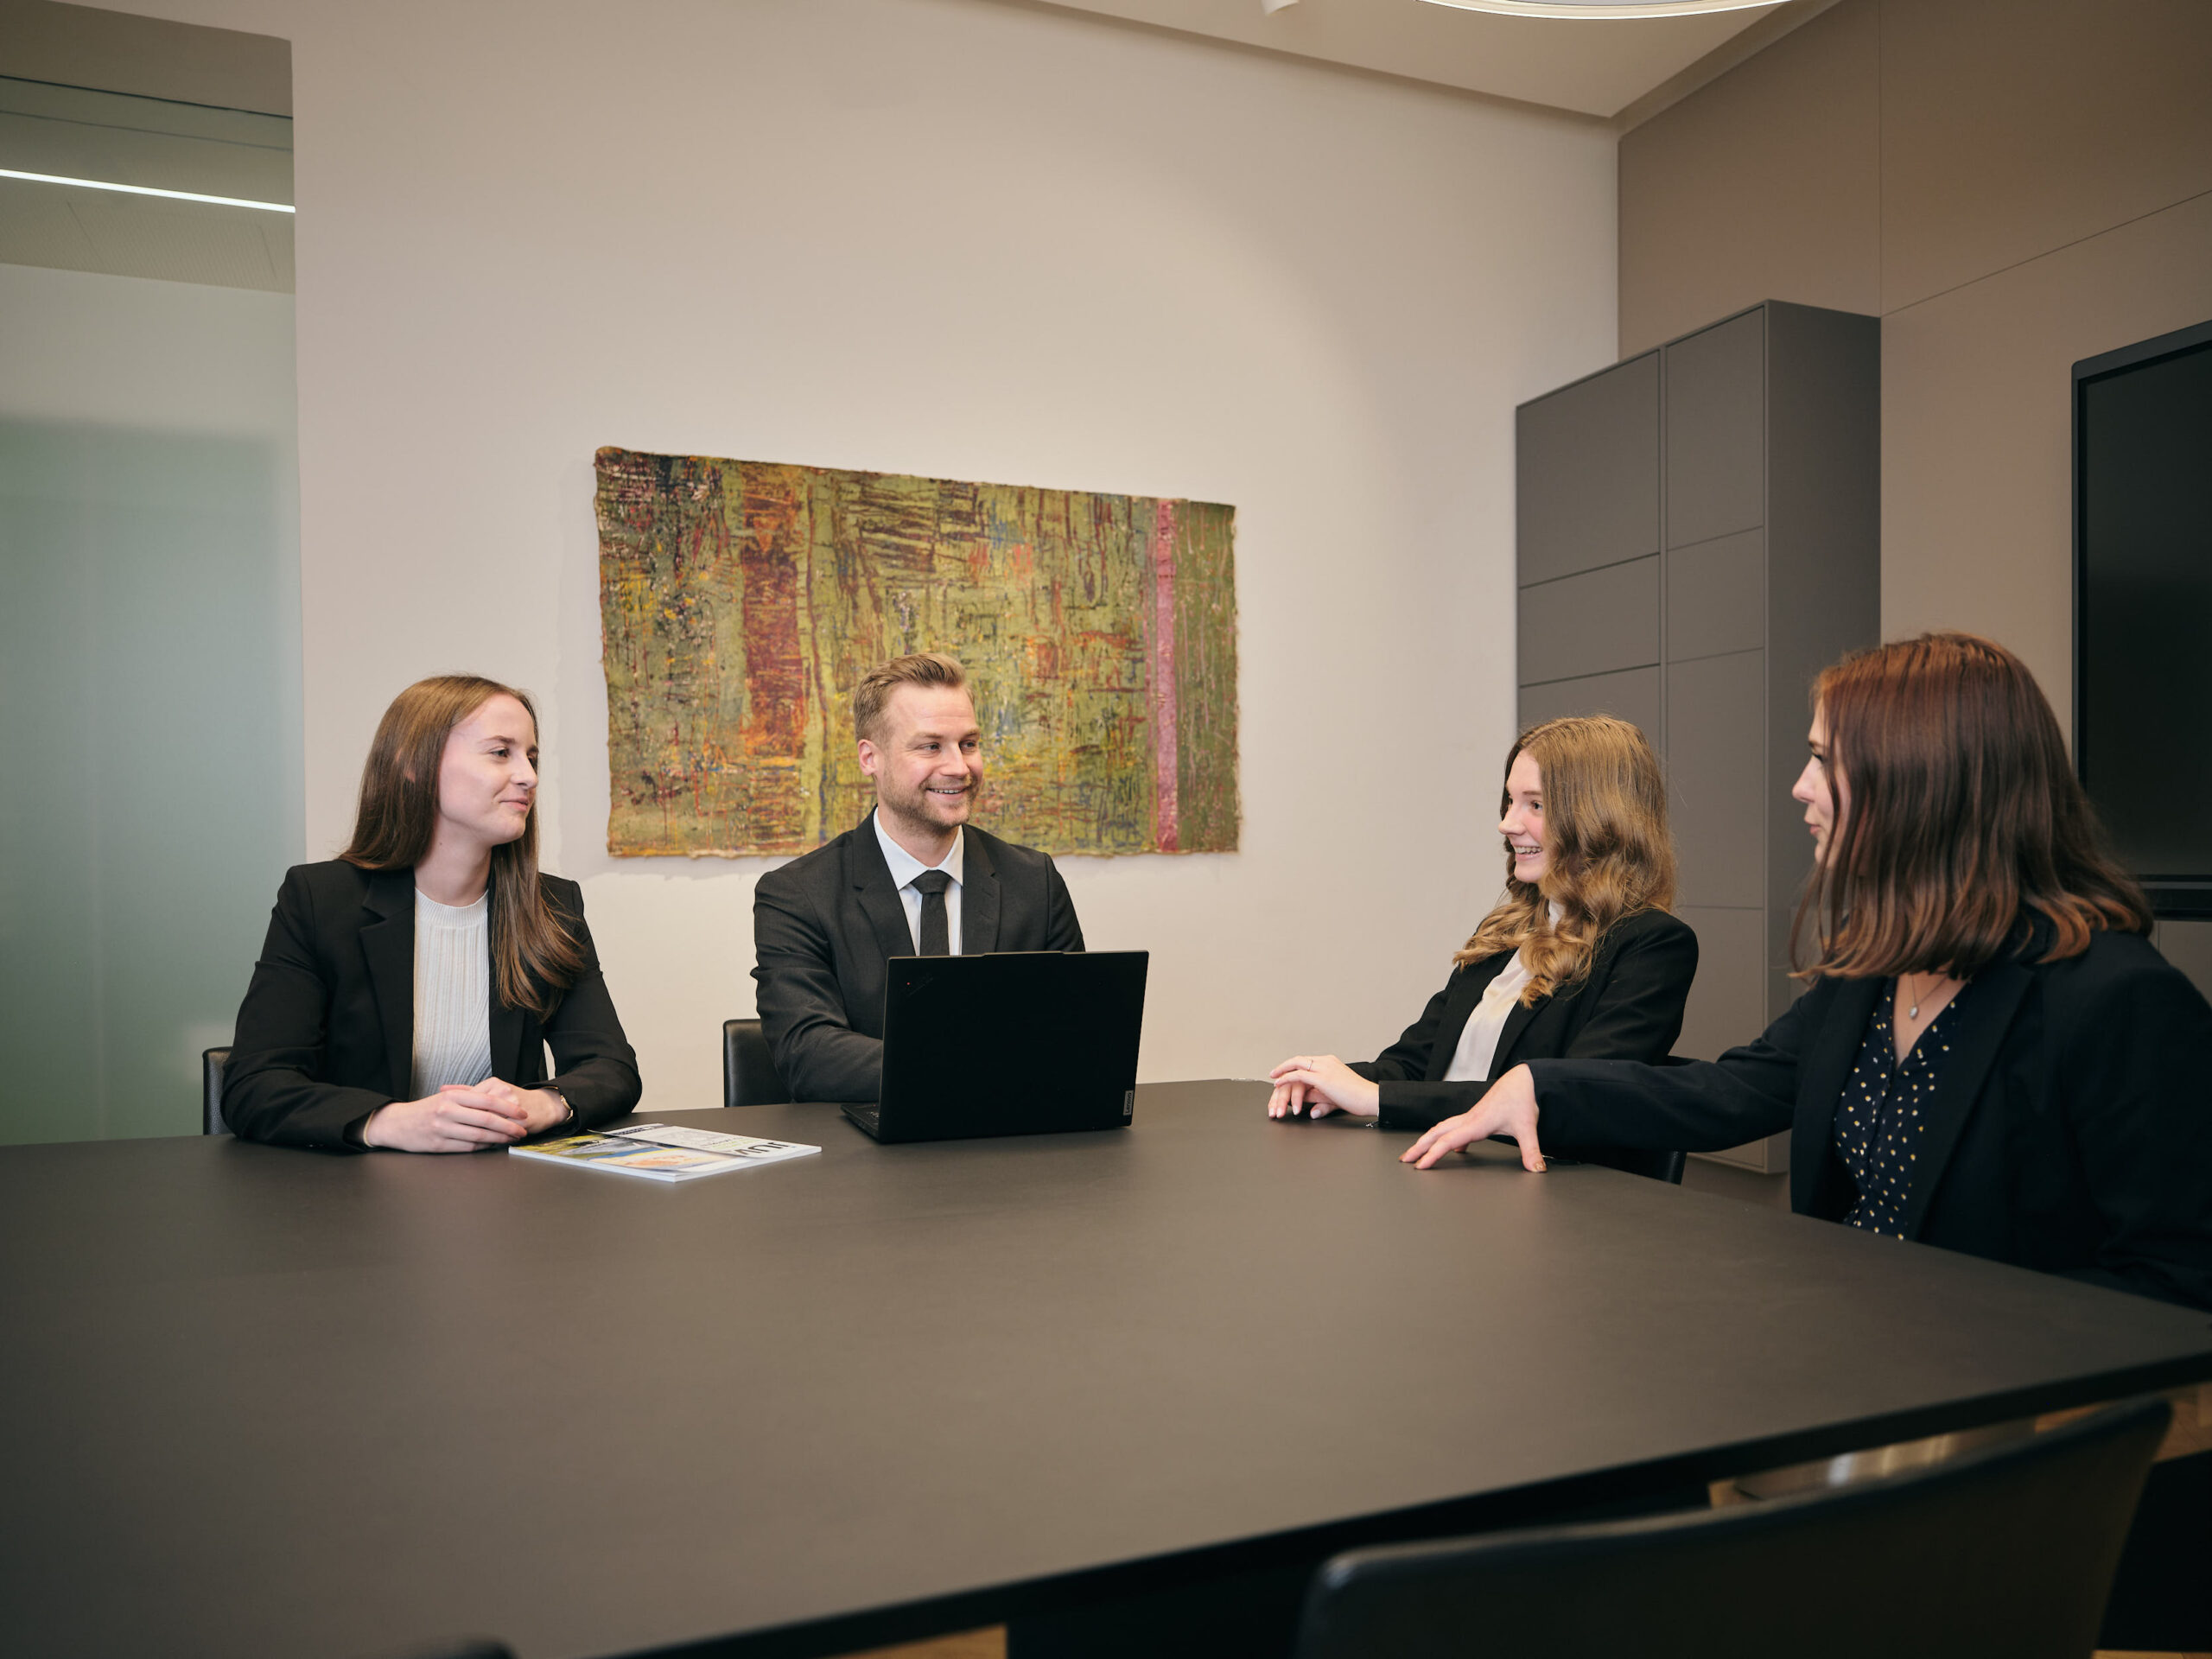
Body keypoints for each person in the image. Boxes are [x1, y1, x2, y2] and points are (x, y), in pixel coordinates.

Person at [1405, 632, 2212, 1311]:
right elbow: (1734, 1091)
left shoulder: (2118, 1000)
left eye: (1824, 759)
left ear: (1923, 780)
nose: (1800, 787)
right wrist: (1545, 1085)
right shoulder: (1875, 970)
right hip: (1851, 1361)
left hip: (1996, 1423)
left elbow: (2175, 1279)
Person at [225, 675, 641, 1152]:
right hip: (350, 1200)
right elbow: (254, 1085)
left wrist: (542, 1104)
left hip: (509, 1199)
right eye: (500, 752)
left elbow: (611, 1067)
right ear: (413, 766)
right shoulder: (320, 900)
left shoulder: (551, 905)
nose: (529, 776)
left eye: (532, 756)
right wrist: (388, 1122)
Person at [1266, 715, 1698, 1146]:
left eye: (1536, 804)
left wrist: (1376, 1098)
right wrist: (1334, 1082)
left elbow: (1567, 1099)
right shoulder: (1505, 932)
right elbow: (1417, 1063)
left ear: (1600, 819)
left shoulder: (1653, 946)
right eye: (1509, 802)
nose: (1507, 824)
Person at [753, 652, 1085, 1103]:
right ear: (871, 758)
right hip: (863, 1157)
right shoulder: (797, 894)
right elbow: (808, 1053)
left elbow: (1077, 1035)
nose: (959, 767)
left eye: (968, 743)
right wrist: (982, 1065)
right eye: (931, 746)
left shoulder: (1036, 883)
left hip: (1009, 1150)